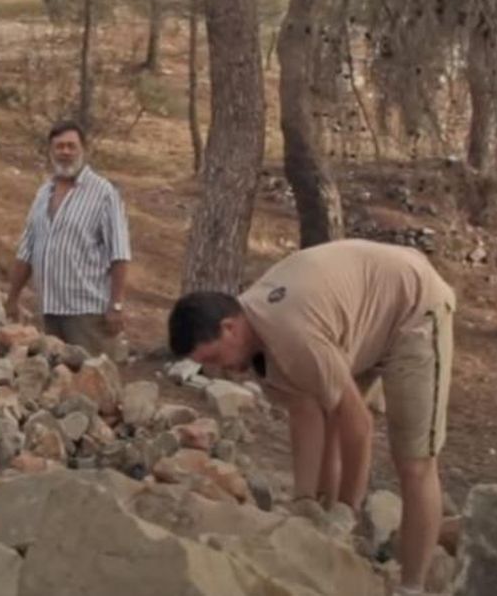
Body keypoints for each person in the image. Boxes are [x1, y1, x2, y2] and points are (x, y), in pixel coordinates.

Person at [166, 239, 457, 595]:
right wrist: (303, 501)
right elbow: (307, 415)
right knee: (330, 416)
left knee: (414, 462)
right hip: (363, 320)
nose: (218, 370)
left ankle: (412, 587)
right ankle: (328, 544)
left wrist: (346, 510)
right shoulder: (256, 345)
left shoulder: (291, 334)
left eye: (213, 358)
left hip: (413, 308)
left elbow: (359, 425)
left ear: (230, 327)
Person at [4, 120, 131, 357]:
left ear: (84, 150)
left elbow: (120, 253)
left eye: (71, 146)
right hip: (50, 312)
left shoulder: (104, 193)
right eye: (59, 147)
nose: (65, 152)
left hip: (87, 315)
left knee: (90, 383)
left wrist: (117, 305)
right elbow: (26, 251)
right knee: (56, 383)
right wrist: (12, 298)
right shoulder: (43, 193)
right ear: (51, 151)